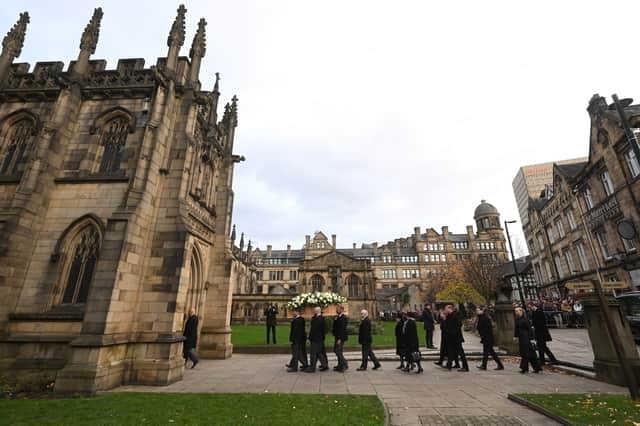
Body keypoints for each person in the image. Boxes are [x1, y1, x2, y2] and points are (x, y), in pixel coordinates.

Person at [514, 307, 541, 374]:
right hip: (521, 337)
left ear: (521, 311)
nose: (516, 312)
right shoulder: (517, 319)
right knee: (531, 354)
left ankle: (524, 368)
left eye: (517, 311)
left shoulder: (525, 319)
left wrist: (532, 339)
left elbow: (530, 329)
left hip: (526, 337)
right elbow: (516, 329)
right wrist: (515, 336)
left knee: (525, 353)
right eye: (515, 311)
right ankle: (536, 368)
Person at [475, 306, 504, 371]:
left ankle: (484, 365)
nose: (476, 312)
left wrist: (485, 337)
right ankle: (499, 365)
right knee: (491, 352)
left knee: (486, 352)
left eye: (478, 310)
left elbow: (488, 330)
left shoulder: (485, 318)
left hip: (487, 338)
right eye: (476, 311)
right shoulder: (481, 318)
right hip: (486, 338)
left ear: (482, 311)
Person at [444, 305, 468, 372]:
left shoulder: (455, 315)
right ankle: (449, 365)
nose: (445, 310)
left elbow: (458, 325)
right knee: (451, 351)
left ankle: (465, 367)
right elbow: (446, 326)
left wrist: (452, 332)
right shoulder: (449, 316)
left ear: (449, 309)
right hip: (451, 338)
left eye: (446, 309)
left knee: (461, 352)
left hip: (456, 338)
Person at [306, 307, 329, 372]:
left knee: (313, 353)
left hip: (316, 339)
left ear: (317, 311)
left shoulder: (318, 319)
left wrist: (310, 337)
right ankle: (325, 365)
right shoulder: (318, 318)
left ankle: (312, 368)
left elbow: (314, 330)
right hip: (319, 338)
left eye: (314, 310)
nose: (313, 311)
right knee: (319, 353)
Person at [332, 304, 349, 372]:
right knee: (338, 351)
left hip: (340, 337)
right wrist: (335, 320)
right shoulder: (338, 317)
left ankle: (344, 364)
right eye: (336, 309)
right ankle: (340, 365)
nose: (336, 310)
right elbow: (336, 327)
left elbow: (342, 329)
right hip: (337, 336)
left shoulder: (343, 318)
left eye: (337, 309)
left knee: (337, 351)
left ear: (341, 309)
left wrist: (339, 339)